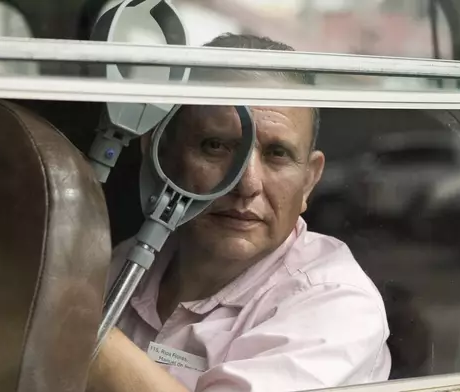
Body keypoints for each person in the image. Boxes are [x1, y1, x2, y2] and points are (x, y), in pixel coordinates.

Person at [88, 33, 391, 392]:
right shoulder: (124, 265)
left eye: (277, 154)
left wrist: (78, 327)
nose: (246, 183)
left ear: (308, 181)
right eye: (216, 146)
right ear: (161, 157)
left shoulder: (337, 304)